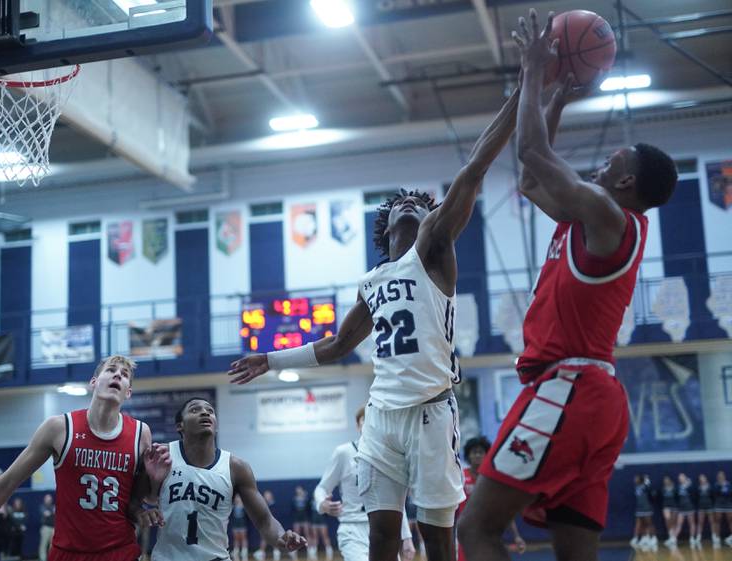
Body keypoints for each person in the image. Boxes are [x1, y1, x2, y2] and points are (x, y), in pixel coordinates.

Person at [230, 66, 523, 561]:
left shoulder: (433, 249)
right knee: (381, 537)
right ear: (384, 224)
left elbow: (473, 170)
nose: (411, 203)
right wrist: (272, 360)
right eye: (401, 201)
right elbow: (337, 345)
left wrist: (520, 94)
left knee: (435, 539)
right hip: (383, 416)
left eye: (420, 201)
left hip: (432, 409)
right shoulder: (371, 282)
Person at [458, 8, 679, 561]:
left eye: (611, 162)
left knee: (476, 528)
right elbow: (532, 176)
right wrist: (558, 98)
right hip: (597, 399)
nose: (601, 167)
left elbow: (533, 152)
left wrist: (536, 71)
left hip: (568, 390)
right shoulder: (592, 220)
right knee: (575, 552)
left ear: (626, 180)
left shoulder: (607, 214)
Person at [0, 355, 164, 561]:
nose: (118, 375)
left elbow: (141, 500)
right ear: (94, 382)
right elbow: (6, 483)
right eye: (111, 370)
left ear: (128, 393)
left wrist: (152, 488)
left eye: (124, 375)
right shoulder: (59, 428)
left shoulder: (140, 433)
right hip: (67, 552)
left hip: (120, 551)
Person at [140, 397, 306, 561]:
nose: (205, 413)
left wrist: (280, 538)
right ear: (180, 425)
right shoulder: (162, 455)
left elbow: (264, 520)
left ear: (216, 426)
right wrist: (150, 491)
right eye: (195, 409)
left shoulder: (237, 467)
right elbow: (141, 499)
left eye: (210, 411)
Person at [313, 406, 415, 561]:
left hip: (385, 528)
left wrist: (406, 537)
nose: (368, 424)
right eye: (364, 420)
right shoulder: (343, 452)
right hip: (352, 529)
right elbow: (322, 488)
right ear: (358, 425)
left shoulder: (389, 455)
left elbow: (396, 502)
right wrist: (322, 504)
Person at [456, 437, 525, 561]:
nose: (477, 455)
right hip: (465, 534)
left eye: (481, 452)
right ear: (468, 455)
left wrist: (517, 536)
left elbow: (503, 509)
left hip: (487, 534)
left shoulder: (491, 480)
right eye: (474, 452)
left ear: (487, 455)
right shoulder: (460, 477)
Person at [667, 473, 697, 549]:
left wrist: (688, 485)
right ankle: (674, 539)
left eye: (682, 477)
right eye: (679, 478)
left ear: (685, 478)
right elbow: (676, 496)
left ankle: (692, 538)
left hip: (689, 507)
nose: (680, 479)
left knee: (691, 523)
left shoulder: (690, 486)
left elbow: (694, 494)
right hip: (682, 508)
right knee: (679, 523)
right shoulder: (678, 487)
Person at [630, 475, 656, 552]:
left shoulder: (645, 486)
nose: (634, 479)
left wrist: (647, 481)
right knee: (642, 524)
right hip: (639, 508)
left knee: (649, 523)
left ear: (640, 479)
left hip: (646, 508)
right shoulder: (636, 487)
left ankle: (654, 538)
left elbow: (652, 493)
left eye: (636, 478)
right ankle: (645, 537)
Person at [309, 496, 333, 560]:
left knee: (325, 536)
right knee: (314, 536)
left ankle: (329, 553)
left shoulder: (323, 502)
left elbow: (328, 510)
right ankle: (313, 554)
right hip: (314, 521)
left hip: (322, 521)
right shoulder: (311, 501)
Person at [695, 474, 715, 548]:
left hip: (709, 506)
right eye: (700, 478)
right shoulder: (698, 488)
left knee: (712, 522)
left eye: (703, 478)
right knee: (700, 522)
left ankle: (714, 536)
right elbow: (696, 497)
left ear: (706, 479)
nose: (702, 479)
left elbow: (713, 496)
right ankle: (698, 537)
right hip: (701, 507)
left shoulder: (710, 487)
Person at [714, 471, 732, 547]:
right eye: (719, 476)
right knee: (717, 521)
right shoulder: (716, 484)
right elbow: (715, 493)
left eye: (722, 475)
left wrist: (724, 491)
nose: (721, 477)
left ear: (724, 476)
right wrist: (721, 487)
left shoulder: (728, 484)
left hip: (728, 504)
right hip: (719, 505)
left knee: (730, 520)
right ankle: (717, 537)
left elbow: (729, 493)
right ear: (718, 477)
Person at [292, 485, 311, 552]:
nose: (298, 491)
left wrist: (305, 497)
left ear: (302, 490)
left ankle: (309, 549)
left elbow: (309, 507)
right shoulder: (294, 499)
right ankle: (295, 549)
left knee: (307, 533)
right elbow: (292, 509)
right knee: (296, 534)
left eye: (299, 489)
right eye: (297, 490)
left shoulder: (306, 498)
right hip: (297, 518)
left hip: (305, 517)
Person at [231, 494, 250, 559]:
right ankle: (236, 551)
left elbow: (248, 516)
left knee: (243, 538)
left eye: (239, 498)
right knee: (236, 538)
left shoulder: (244, 507)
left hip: (242, 524)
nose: (237, 499)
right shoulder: (233, 507)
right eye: (236, 498)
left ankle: (244, 552)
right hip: (235, 524)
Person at [39, 493, 55, 561]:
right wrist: (52, 512)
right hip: (46, 528)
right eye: (47, 499)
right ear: (45, 500)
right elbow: (46, 514)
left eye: (50, 499)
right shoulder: (42, 507)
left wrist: (52, 512)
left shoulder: (53, 506)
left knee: (52, 546)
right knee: (43, 545)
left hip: (54, 528)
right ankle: (43, 559)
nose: (49, 500)